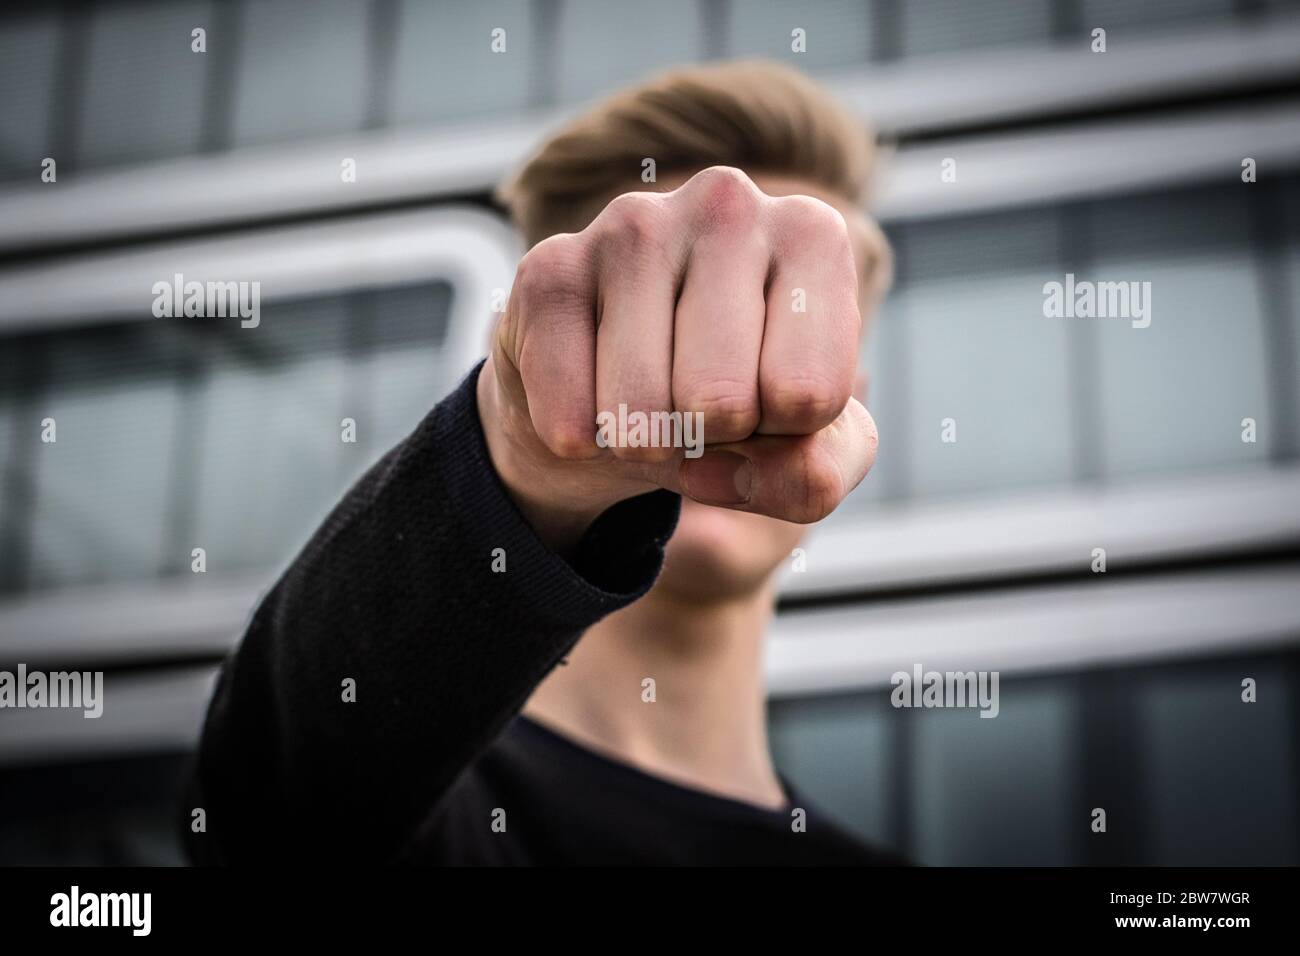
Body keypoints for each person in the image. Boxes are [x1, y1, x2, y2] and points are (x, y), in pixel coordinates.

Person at [184, 60, 897, 865]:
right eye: (651, 316)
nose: (711, 396)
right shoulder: (417, 819)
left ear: (851, 397)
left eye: (771, 318)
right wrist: (526, 455)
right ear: (539, 344)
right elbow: (273, 797)